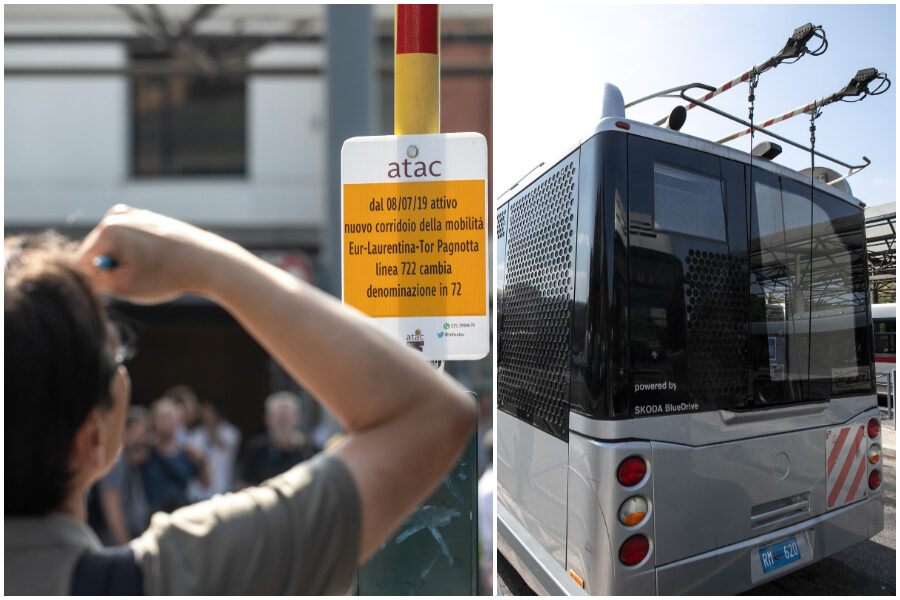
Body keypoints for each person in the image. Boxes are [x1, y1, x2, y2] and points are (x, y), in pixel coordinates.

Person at [4, 206, 475, 594]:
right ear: (92, 439)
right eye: (117, 352)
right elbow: (431, 414)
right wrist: (206, 264)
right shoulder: (182, 576)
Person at [96, 406, 152, 545]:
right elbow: (112, 508)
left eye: (144, 434)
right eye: (137, 434)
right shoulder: (116, 461)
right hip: (115, 543)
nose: (142, 439)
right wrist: (126, 548)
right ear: (123, 433)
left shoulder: (129, 461)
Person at [141, 397, 206, 513]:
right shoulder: (145, 451)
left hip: (179, 514)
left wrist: (201, 460)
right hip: (151, 514)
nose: (167, 422)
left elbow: (206, 483)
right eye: (162, 417)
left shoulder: (187, 452)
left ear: (179, 421)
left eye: (170, 417)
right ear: (154, 420)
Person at [238, 391, 314, 488]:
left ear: (297, 419)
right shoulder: (257, 449)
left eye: (286, 419)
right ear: (268, 419)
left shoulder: (309, 449)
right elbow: (242, 485)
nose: (283, 423)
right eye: (279, 419)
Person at [186, 400, 241, 501]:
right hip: (198, 492)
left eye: (210, 412)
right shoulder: (195, 434)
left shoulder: (231, 432)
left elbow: (223, 445)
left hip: (222, 489)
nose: (206, 415)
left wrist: (212, 427)